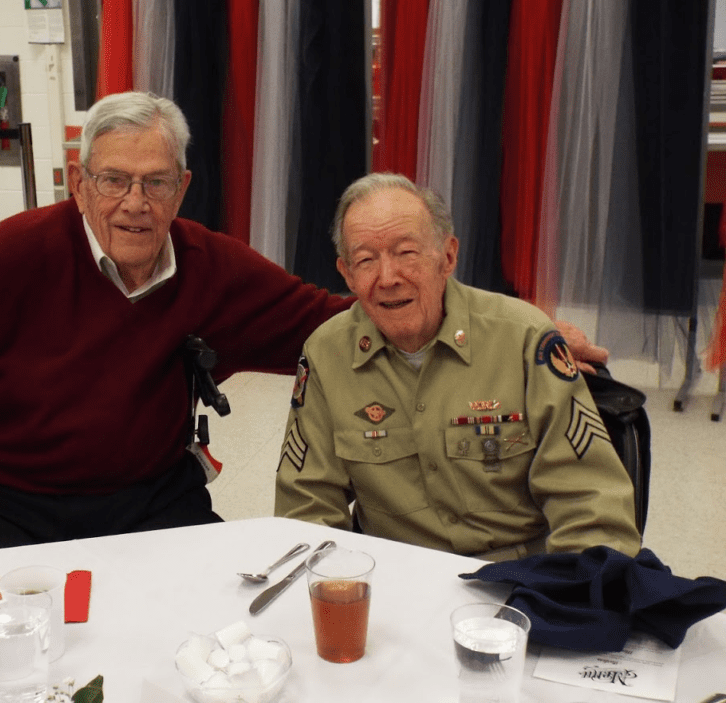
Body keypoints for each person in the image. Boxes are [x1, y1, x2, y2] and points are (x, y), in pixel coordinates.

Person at [0, 94, 609, 617]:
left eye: (155, 182)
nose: (134, 203)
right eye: (112, 181)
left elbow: (349, 319)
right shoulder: (11, 254)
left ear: (183, 187)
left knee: (216, 630)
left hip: (148, 498)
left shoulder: (211, 266)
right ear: (80, 183)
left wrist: (517, 329)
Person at [274, 172, 641, 561]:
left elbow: (591, 506)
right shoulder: (326, 354)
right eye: (365, 260)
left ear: (447, 257)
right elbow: (307, 510)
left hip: (520, 582)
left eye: (406, 253)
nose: (388, 278)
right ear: (346, 273)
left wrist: (569, 601)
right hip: (395, 583)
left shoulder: (524, 340)